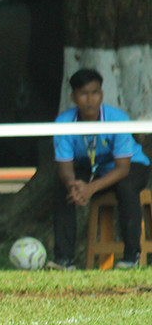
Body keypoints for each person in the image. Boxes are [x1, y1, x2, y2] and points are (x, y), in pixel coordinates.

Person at [50, 68, 151, 269]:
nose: (90, 100)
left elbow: (123, 168)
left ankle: (131, 257)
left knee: (126, 187)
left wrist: (91, 188)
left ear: (102, 95)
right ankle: (64, 260)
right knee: (61, 188)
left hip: (131, 166)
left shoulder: (118, 119)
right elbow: (64, 166)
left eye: (95, 93)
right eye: (84, 94)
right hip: (91, 168)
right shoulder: (63, 122)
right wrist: (74, 185)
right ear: (73, 97)